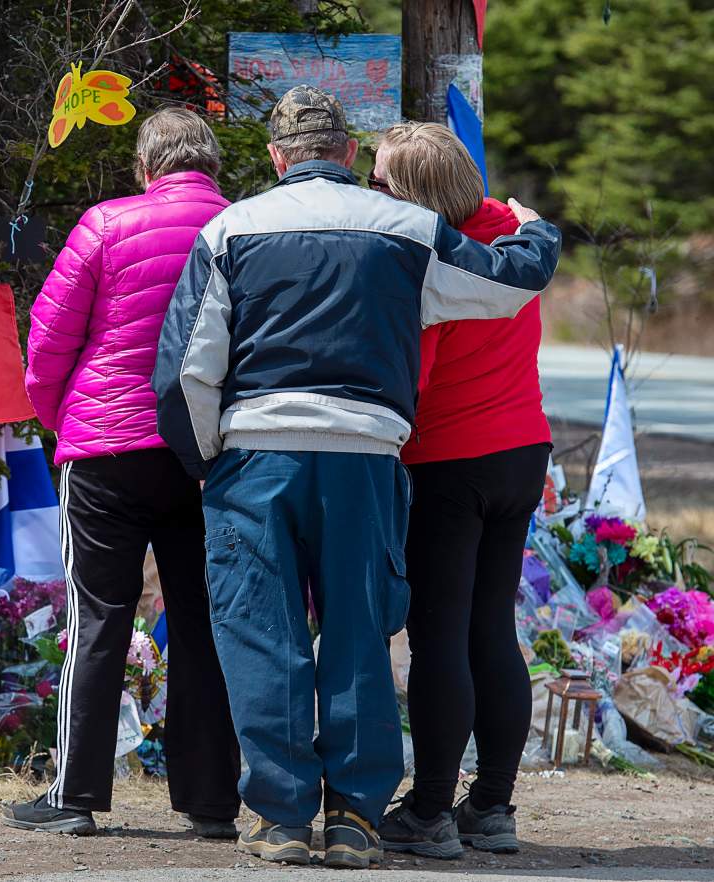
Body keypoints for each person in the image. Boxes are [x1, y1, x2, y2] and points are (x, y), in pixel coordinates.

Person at [152, 86, 561, 869]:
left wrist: (210, 461)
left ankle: (279, 819)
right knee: (360, 639)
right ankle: (357, 821)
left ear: (276, 159)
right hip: (367, 457)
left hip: (256, 458)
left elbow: (183, 373)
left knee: (262, 637)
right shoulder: (410, 228)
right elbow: (511, 279)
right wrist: (539, 229)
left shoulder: (229, 227)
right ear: (346, 155)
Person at [3, 107, 241, 837]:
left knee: (98, 615)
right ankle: (210, 803)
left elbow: (47, 342)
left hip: (104, 448)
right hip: (206, 451)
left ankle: (74, 796)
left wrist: (63, 418)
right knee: (204, 622)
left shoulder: (106, 224)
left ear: (144, 168)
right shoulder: (244, 226)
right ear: (213, 168)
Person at [373, 123, 552, 859]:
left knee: (439, 636)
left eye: (383, 180)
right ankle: (494, 805)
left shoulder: (435, 261)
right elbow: (539, 231)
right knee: (492, 630)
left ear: (414, 191)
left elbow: (412, 379)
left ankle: (428, 812)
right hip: (523, 451)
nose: (374, 191)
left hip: (450, 460)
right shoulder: (510, 230)